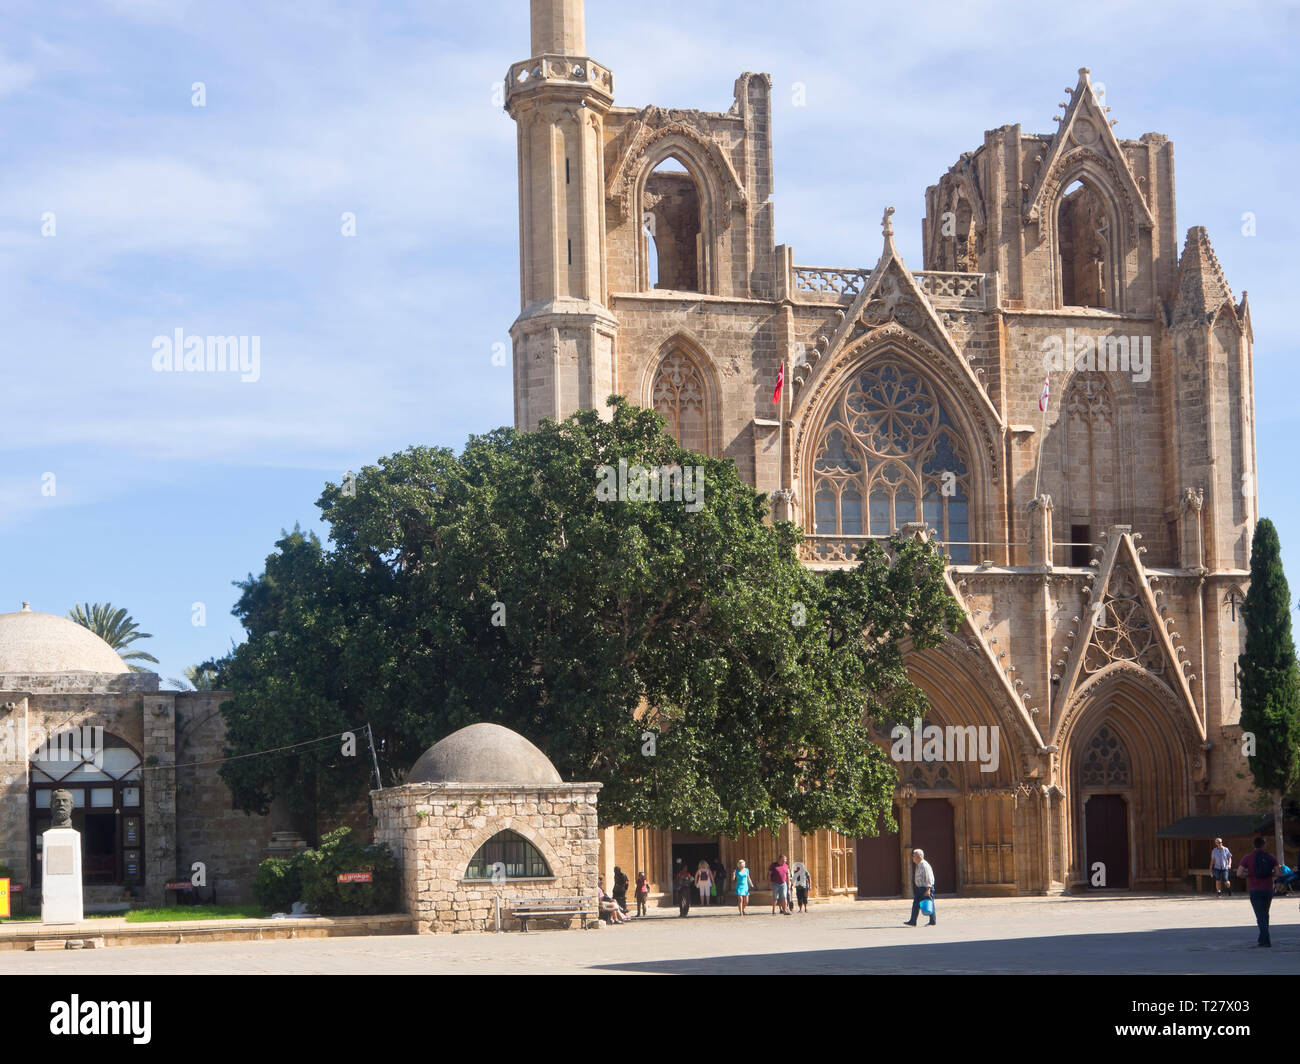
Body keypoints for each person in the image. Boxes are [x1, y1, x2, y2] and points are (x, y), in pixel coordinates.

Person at [1237, 836, 1279, 947]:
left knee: (1260, 915)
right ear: (1264, 845)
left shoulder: (1247, 858)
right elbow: (1278, 872)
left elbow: (1239, 873)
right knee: (1265, 914)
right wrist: (1270, 875)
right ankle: (1262, 939)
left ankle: (1266, 940)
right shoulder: (1271, 857)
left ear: (1254, 845)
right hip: (1268, 889)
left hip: (1255, 889)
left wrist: (1249, 875)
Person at [904, 848, 936, 927]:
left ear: (919, 856)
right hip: (921, 888)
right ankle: (913, 921)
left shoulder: (924, 865)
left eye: (914, 856)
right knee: (916, 904)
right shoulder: (919, 864)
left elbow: (928, 877)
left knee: (929, 903)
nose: (913, 858)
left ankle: (932, 921)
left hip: (925, 887)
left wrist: (928, 889)